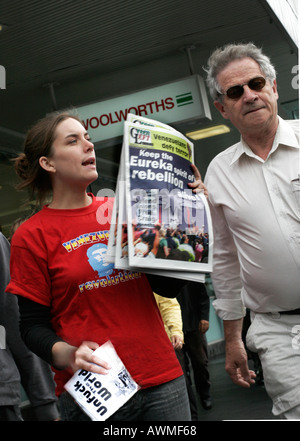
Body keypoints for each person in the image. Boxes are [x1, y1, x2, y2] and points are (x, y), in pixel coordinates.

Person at [6, 112, 206, 421]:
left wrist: (187, 221)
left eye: (88, 138)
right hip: (96, 392)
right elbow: (31, 326)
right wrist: (68, 354)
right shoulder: (30, 235)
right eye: (73, 141)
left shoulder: (122, 210)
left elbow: (165, 287)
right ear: (48, 163)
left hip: (161, 379)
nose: (88, 145)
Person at [204, 42, 300, 419]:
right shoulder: (219, 173)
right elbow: (226, 262)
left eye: (256, 83)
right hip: (280, 333)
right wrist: (232, 340)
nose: (249, 95)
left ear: (274, 88)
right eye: (234, 91)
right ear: (222, 108)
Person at [154, 293, 199, 421]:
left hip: (164, 343)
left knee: (181, 383)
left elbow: (168, 304)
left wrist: (176, 331)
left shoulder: (149, 276)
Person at [177, 281, 212, 410]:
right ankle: (189, 403)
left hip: (194, 323)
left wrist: (204, 317)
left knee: (201, 362)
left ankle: (205, 393)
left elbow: (203, 293)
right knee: (181, 369)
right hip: (173, 328)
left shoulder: (188, 265)